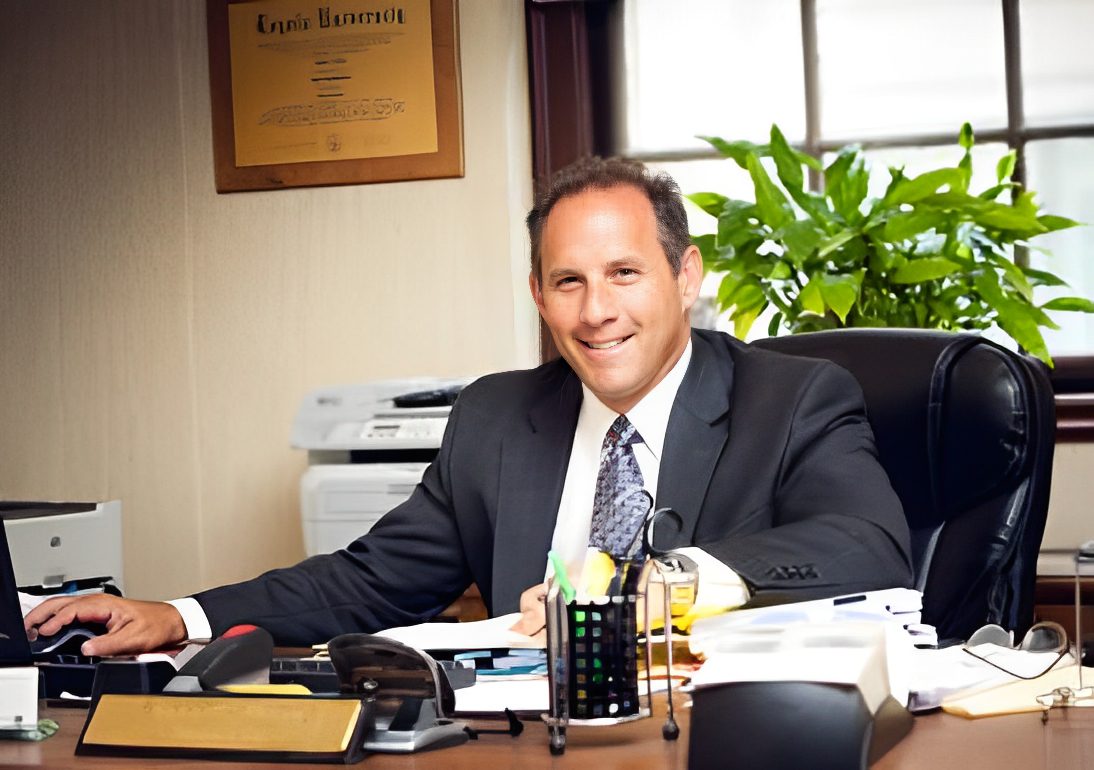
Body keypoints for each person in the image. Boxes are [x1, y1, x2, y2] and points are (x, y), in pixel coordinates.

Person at [24, 158, 913, 656]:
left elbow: (868, 546)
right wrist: (183, 615)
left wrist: (660, 585)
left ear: (686, 277)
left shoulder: (792, 396)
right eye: (568, 281)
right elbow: (370, 579)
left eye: (625, 274)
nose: (596, 311)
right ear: (538, 294)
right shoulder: (498, 417)